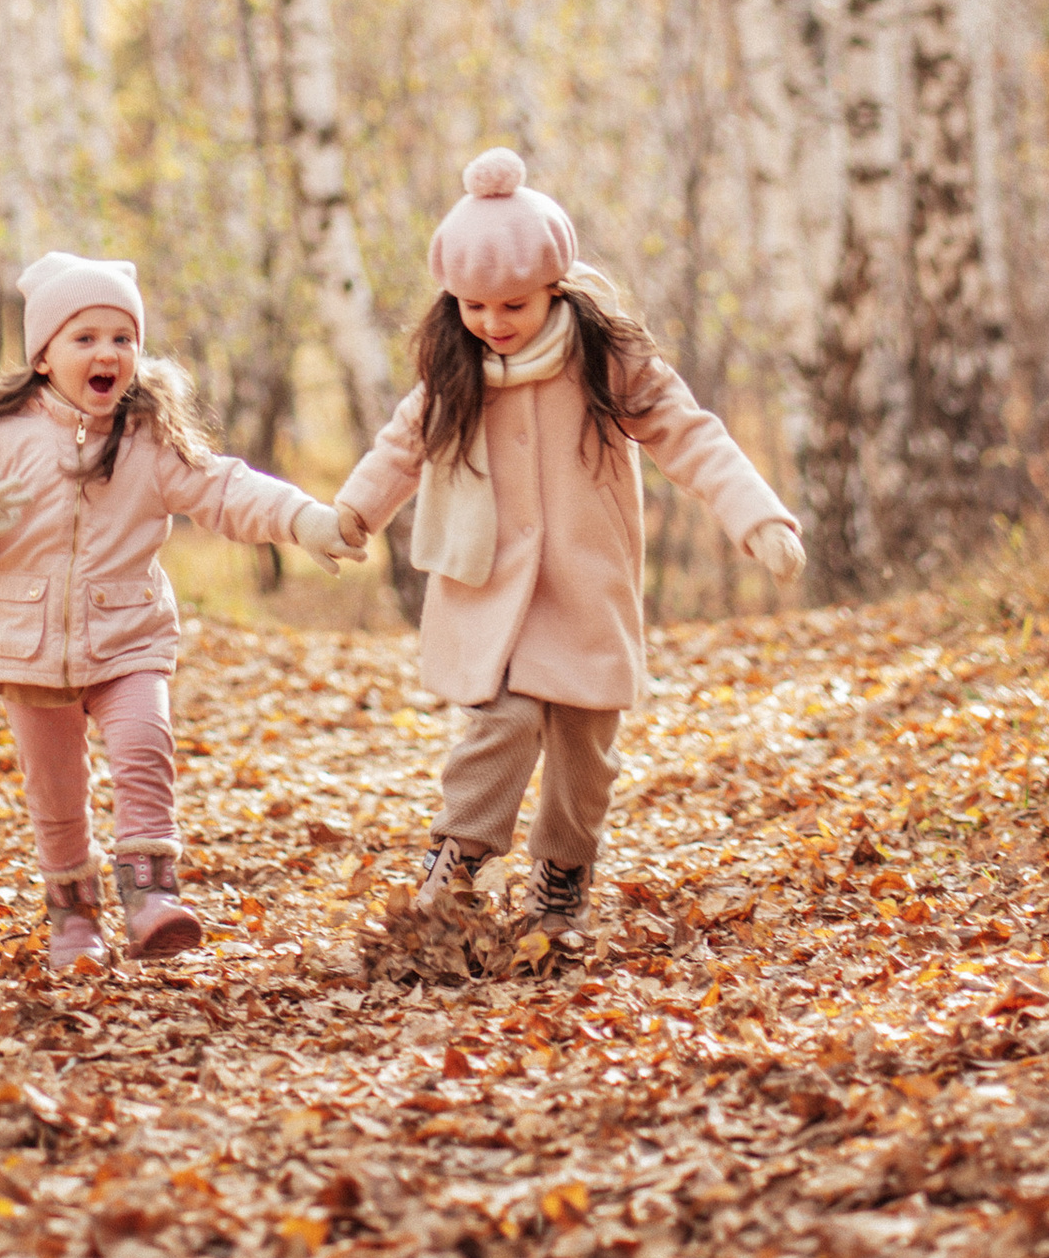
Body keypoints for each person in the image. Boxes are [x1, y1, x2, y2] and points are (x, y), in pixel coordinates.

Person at [330, 148, 805, 953]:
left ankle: (562, 877)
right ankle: (457, 860)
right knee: (501, 721)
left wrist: (756, 515)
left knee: (586, 747)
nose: (493, 321)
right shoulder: (454, 368)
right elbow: (399, 449)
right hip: (491, 586)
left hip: (584, 583)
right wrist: (351, 515)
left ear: (555, 283)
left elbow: (689, 434)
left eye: (512, 302)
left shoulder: (604, 359)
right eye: (474, 305)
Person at [0, 250, 356, 976]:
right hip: (28, 643)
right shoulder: (2, 438)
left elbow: (225, 491)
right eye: (85, 338)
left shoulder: (149, 437)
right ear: (43, 357)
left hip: (128, 634)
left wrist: (304, 519)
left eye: (122, 339)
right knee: (56, 791)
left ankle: (151, 898)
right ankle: (74, 919)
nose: (108, 354)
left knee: (144, 745)